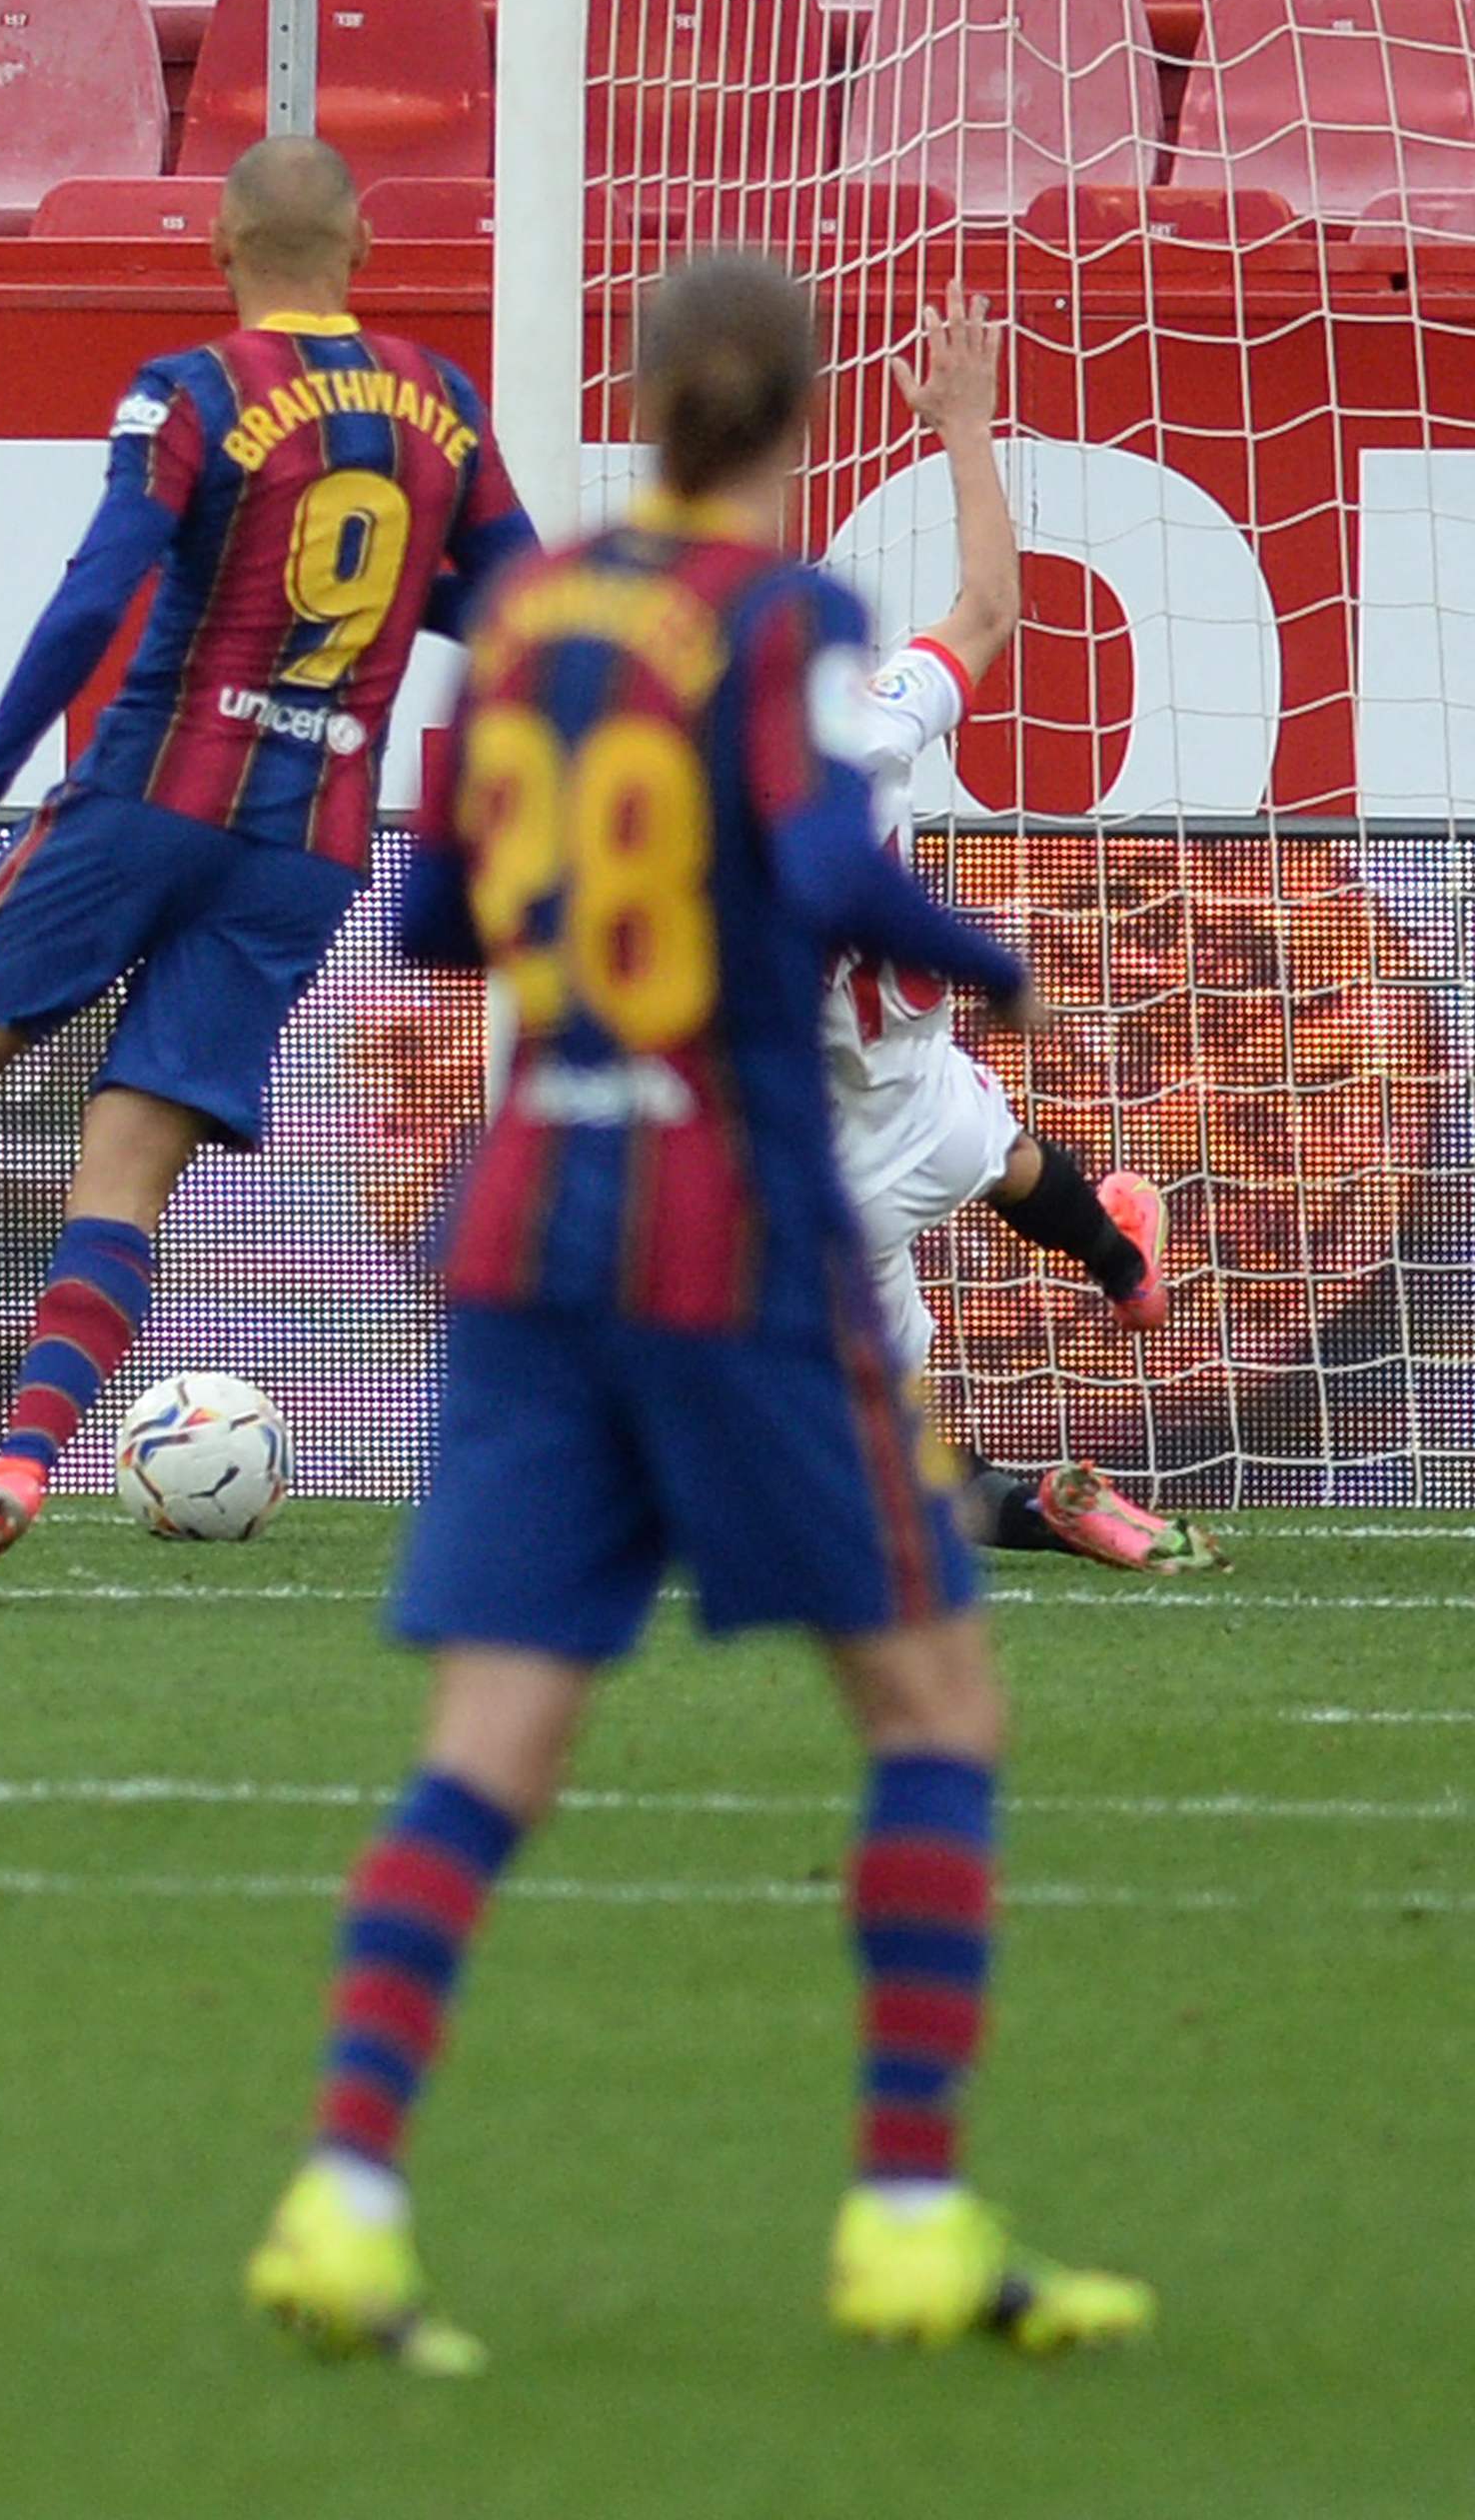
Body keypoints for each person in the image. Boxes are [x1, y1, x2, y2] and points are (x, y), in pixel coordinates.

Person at [245, 251, 1148, 2374]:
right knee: (933, 1705)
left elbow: (442, 913)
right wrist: (979, 956)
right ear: (801, 419)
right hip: (727, 1224)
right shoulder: (791, 626)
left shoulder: (532, 624)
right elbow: (830, 873)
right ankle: (908, 2216)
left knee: (494, 1731)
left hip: (524, 1213)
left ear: (642, 404)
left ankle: (343, 2192)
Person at [0, 138, 540, 1608]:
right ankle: (17, 1463)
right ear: (359, 253)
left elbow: (100, 589)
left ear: (220, 244)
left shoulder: (196, 391)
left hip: (150, 791)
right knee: (128, 1165)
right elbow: (522, 601)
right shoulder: (445, 407)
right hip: (307, 843)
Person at [826, 293, 1217, 1574]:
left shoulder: (695, 831)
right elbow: (988, 605)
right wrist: (963, 427)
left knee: (898, 1467)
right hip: (927, 1097)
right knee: (998, 1154)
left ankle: (1032, 1504)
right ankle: (1122, 1267)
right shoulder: (871, 725)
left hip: (821, 1179)